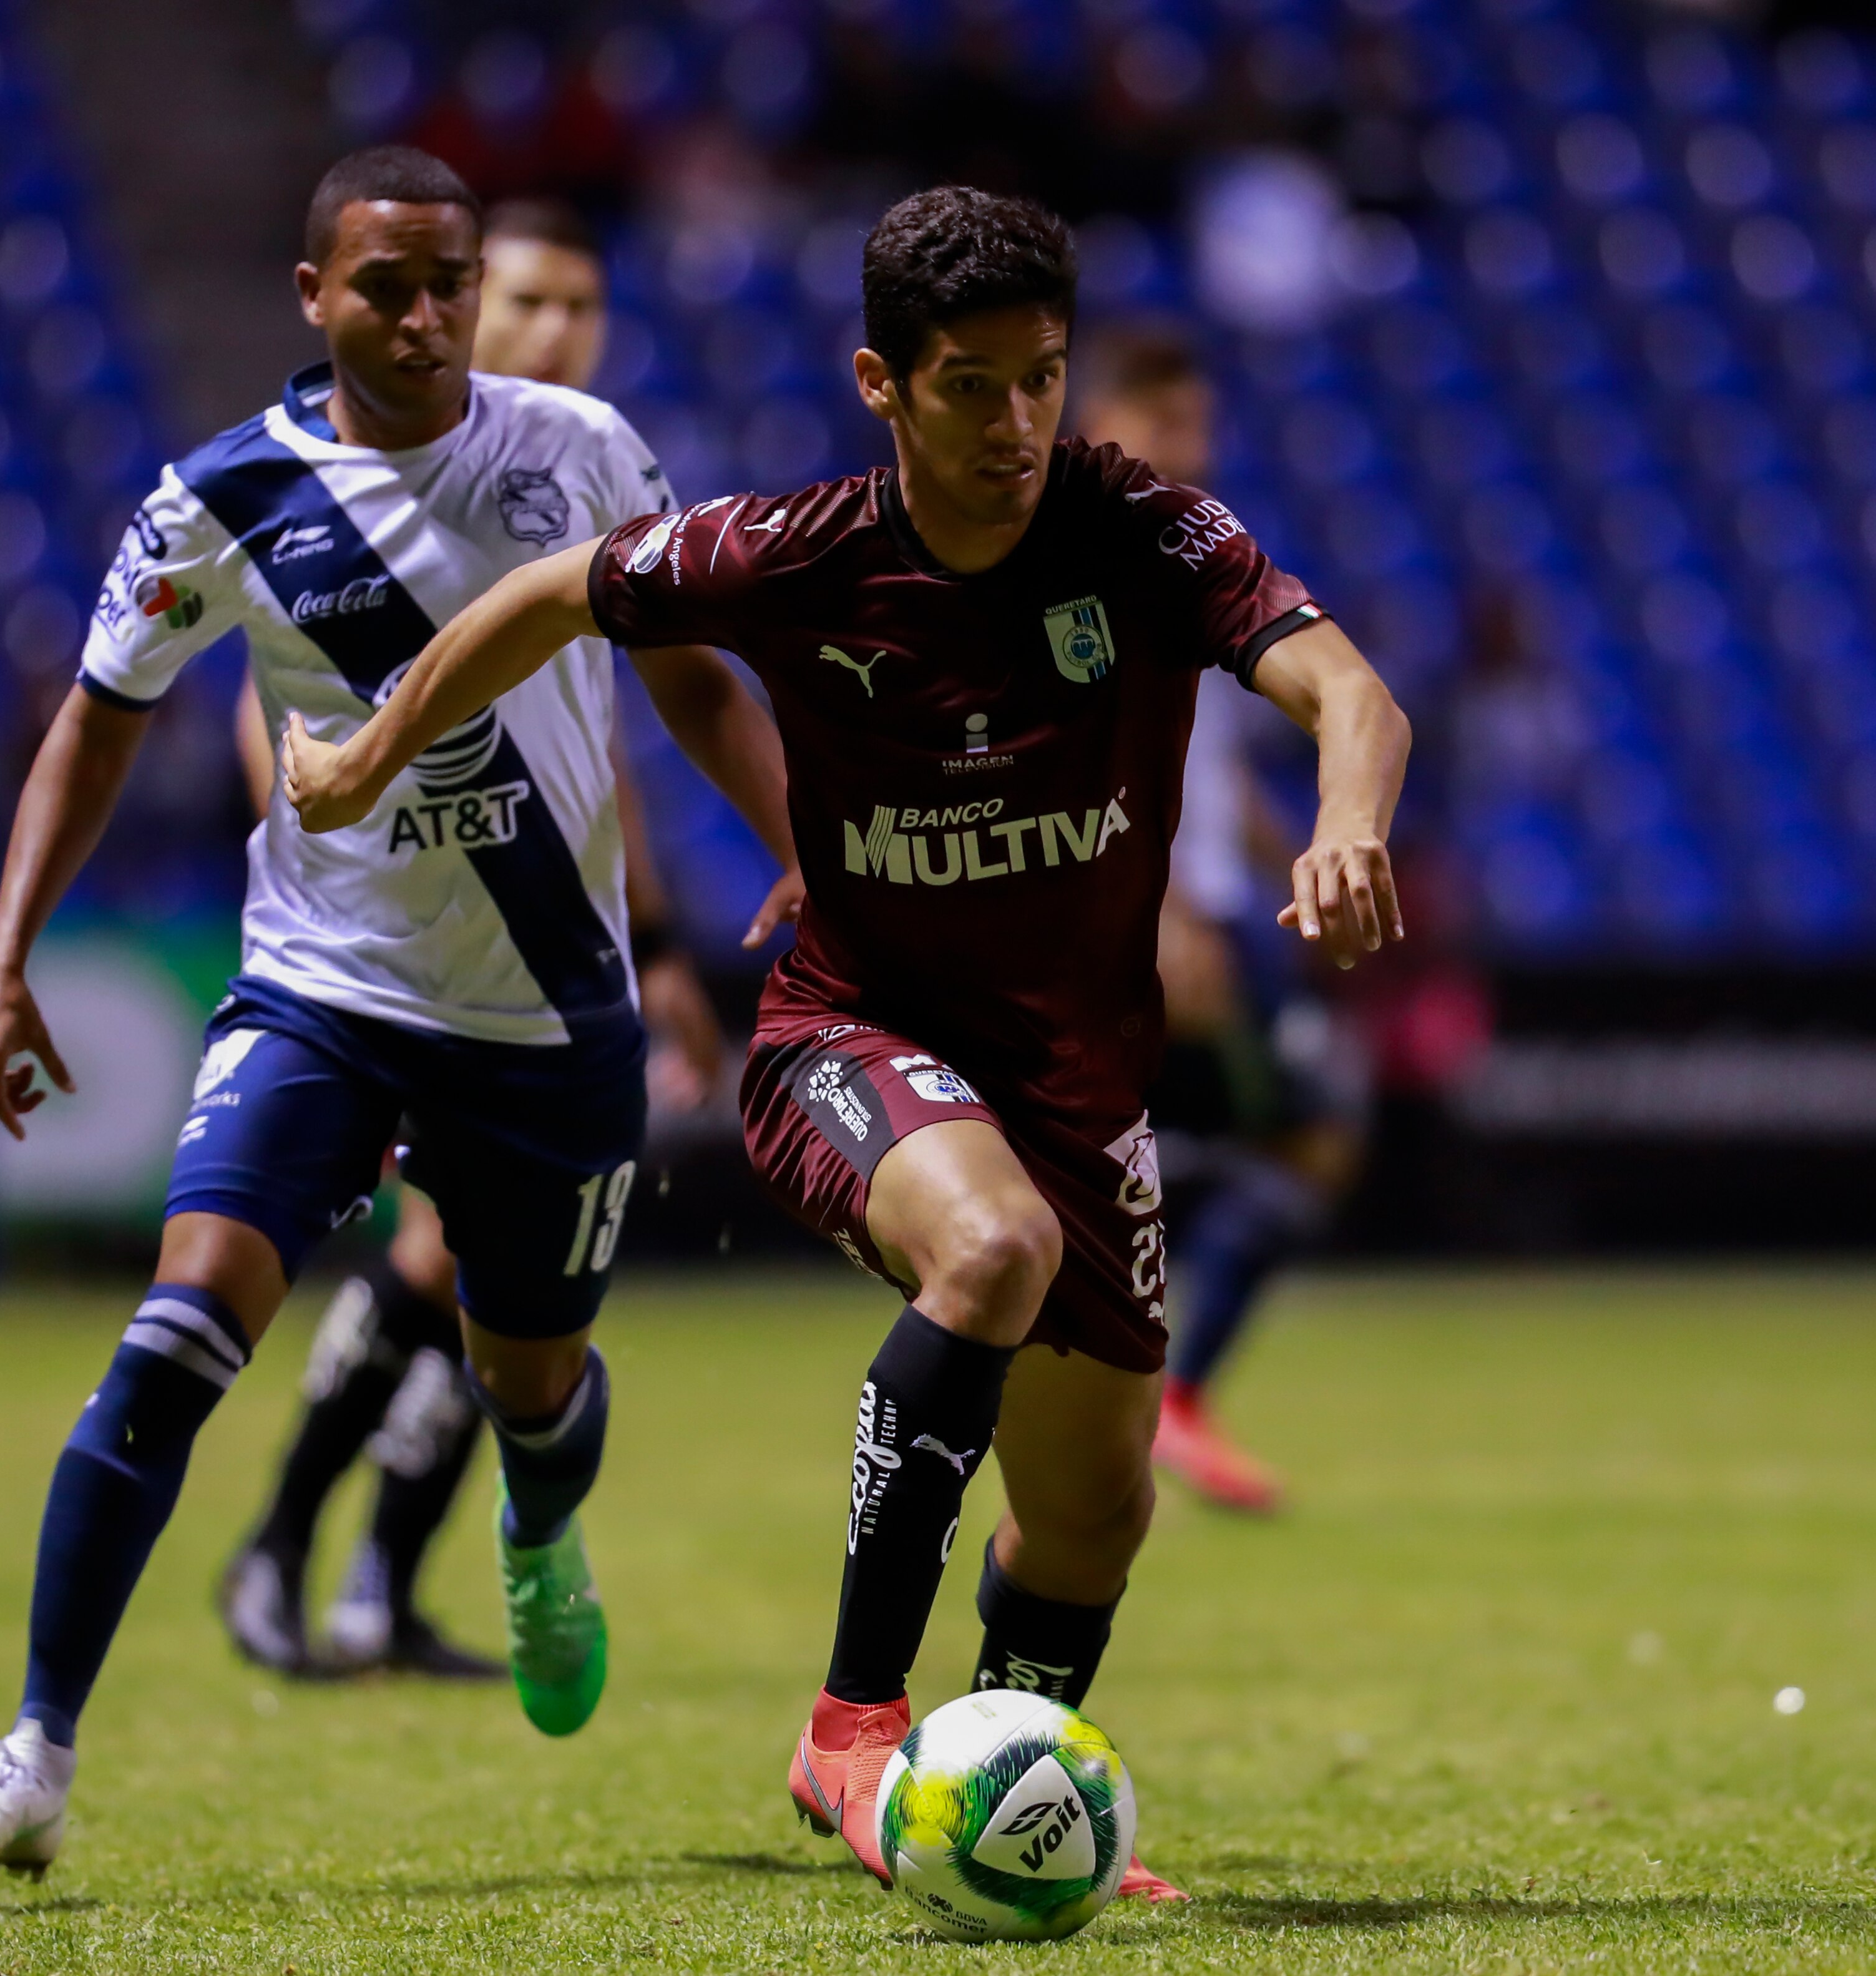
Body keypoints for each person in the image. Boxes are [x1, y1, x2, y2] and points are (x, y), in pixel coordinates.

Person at [284, 186, 1410, 1902]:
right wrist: (371, 750)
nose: (1017, 423)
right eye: (971, 385)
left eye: (1040, 379)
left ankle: (1010, 1783)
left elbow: (1351, 691)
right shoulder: (797, 550)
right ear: (881, 381)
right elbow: (552, 593)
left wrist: (1346, 820)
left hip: (1076, 1089)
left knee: (1096, 1513)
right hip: (849, 1036)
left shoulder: (1142, 532)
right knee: (991, 1244)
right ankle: (848, 1723)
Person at [0, 147, 798, 1878]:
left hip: (545, 1014)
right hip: (327, 990)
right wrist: (4, 951)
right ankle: (31, 1754)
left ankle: (535, 1527)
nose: (428, 311)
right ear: (313, 296)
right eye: (387, 283)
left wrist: (797, 851)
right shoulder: (218, 497)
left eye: (450, 278)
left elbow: (687, 668)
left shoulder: (580, 449)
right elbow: (98, 719)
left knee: (530, 1381)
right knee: (178, 1330)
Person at [216, 195, 729, 1681]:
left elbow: (603, 749)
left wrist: (664, 946)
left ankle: (364, 1573)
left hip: (549, 958)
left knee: (483, 1287)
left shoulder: (571, 476)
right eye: (529, 302)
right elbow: (279, 722)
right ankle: (295, 1547)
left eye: (583, 305)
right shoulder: (364, 486)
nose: (558, 331)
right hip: (392, 961)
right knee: (450, 1262)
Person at [1078, 330, 1371, 1514]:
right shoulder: (1084, 558)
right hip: (1141, 914)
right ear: (1092, 421)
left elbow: (1211, 748)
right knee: (1294, 1131)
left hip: (1209, 902)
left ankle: (1164, 1392)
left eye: (1196, 425)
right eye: (1162, 424)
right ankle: (1152, 1397)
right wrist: (1155, 906)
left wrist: (1277, 855)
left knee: (1310, 1130)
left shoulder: (1190, 549)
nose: (1187, 449)